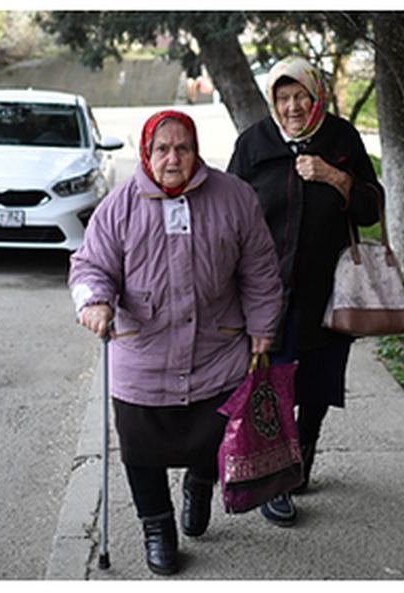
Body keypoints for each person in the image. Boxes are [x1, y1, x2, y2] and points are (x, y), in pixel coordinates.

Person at [69, 110, 282, 575]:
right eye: (162, 149)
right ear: (146, 153)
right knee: (141, 449)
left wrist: (264, 326)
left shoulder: (235, 197)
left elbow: (261, 270)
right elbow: (89, 267)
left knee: (213, 439)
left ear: (196, 150)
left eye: (182, 148)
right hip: (143, 355)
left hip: (217, 350)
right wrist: (95, 302)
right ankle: (157, 528)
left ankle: (199, 485)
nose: (172, 158)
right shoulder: (120, 205)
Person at [227, 56, 382, 527]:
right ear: (273, 100)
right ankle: (277, 477)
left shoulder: (341, 140)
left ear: (316, 96)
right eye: (283, 97)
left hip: (328, 292)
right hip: (269, 293)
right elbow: (228, 211)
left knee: (315, 387)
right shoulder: (254, 144)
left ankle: (302, 460)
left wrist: (334, 176)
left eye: (301, 97)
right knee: (273, 384)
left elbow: (371, 207)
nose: (293, 106)